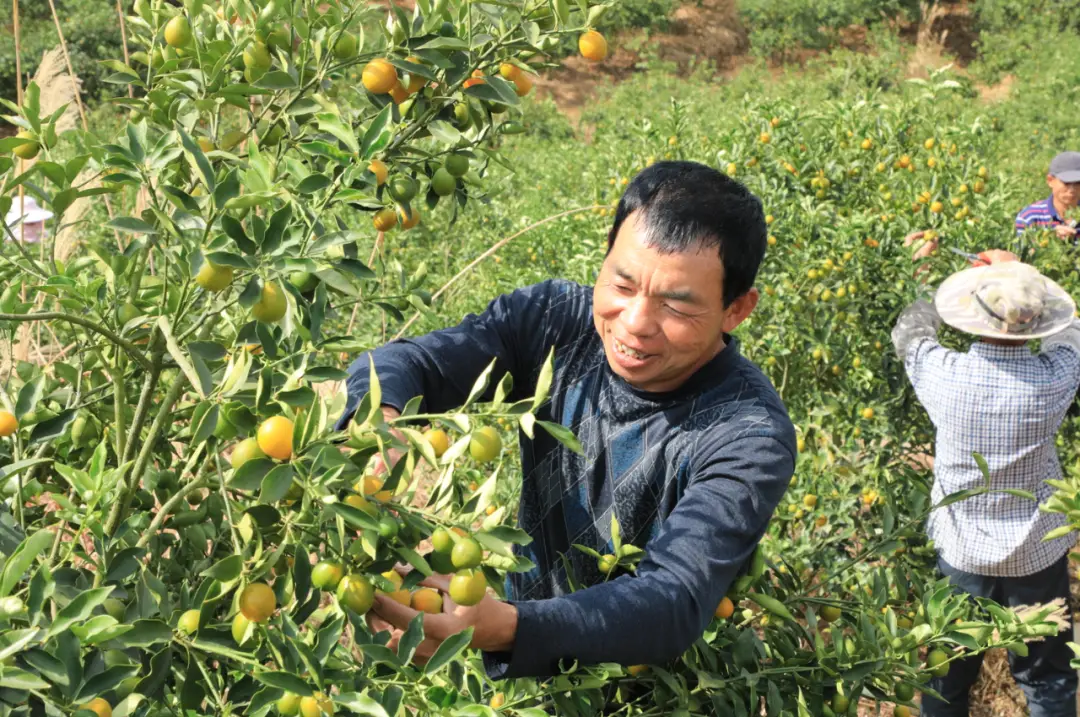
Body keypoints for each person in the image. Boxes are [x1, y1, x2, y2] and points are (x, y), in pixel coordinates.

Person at [336, 160, 796, 678]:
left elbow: (673, 597)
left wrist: (510, 628)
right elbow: (405, 363)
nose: (636, 324)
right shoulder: (553, 321)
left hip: (655, 691)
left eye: (677, 306)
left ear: (736, 310)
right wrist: (380, 423)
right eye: (622, 287)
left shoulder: (747, 433)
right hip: (532, 672)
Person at [892, 240, 1080, 717]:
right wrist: (1021, 276)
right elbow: (1072, 331)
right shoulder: (1055, 377)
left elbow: (910, 331)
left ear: (971, 313)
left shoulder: (943, 374)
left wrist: (938, 281)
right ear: (1036, 319)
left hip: (963, 552)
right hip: (1036, 551)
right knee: (1047, 678)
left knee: (947, 675)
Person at [1014, 151, 1080, 242]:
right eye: (1066, 183)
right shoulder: (1030, 216)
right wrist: (1049, 238)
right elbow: (1021, 254)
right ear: (1050, 180)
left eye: (1078, 183)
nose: (1072, 189)